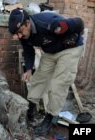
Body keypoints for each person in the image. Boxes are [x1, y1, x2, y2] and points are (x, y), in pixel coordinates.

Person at [8, 8, 84, 136]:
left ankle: (49, 120)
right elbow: (28, 51)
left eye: (20, 32)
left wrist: (76, 32)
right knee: (38, 79)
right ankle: (31, 110)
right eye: (17, 34)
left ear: (27, 23)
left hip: (70, 49)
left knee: (58, 84)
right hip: (50, 51)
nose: (20, 36)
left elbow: (79, 22)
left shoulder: (48, 22)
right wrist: (29, 69)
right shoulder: (24, 35)